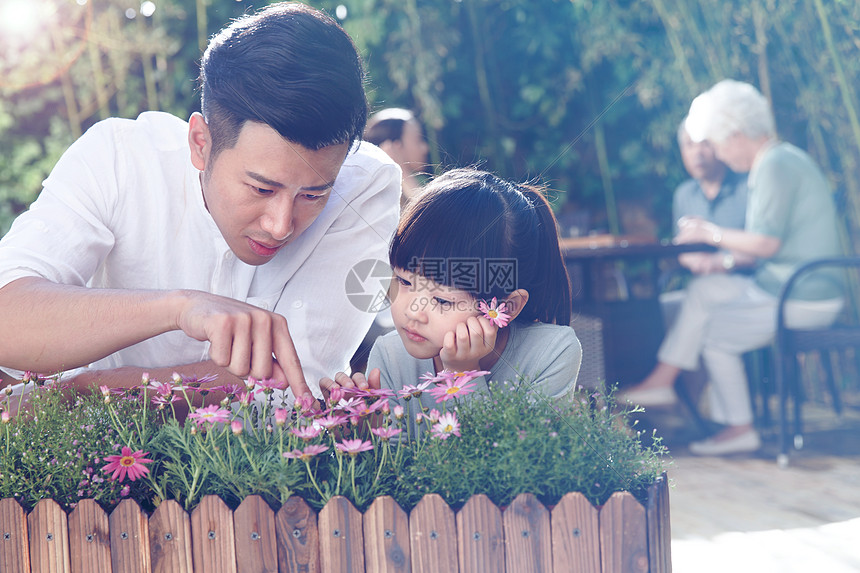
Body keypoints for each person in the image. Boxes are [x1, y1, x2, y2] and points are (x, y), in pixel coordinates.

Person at [0, 3, 400, 403]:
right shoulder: (119, 159)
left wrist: (73, 396)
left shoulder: (365, 187)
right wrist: (178, 308)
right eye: (262, 189)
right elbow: (8, 316)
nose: (281, 225)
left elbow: (296, 386)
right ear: (200, 144)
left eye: (314, 195)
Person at [621, 80, 844, 455]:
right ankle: (667, 383)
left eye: (719, 144)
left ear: (737, 135)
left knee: (714, 335)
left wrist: (709, 233)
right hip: (785, 284)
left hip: (803, 292)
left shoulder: (774, 164)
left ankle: (738, 426)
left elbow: (765, 244)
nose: (719, 155)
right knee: (703, 292)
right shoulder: (777, 160)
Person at [320, 168, 582, 435]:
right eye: (405, 282)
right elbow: (396, 472)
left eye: (443, 301)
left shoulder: (551, 352)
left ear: (507, 307)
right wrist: (364, 430)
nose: (413, 312)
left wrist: (462, 374)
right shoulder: (391, 355)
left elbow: (518, 468)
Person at [653, 120, 750, 403]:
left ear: (718, 146)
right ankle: (693, 401)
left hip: (743, 283)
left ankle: (673, 388)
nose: (697, 153)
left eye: (704, 143)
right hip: (703, 285)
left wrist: (718, 262)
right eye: (689, 145)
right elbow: (681, 248)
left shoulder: (746, 187)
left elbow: (760, 248)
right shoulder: (684, 194)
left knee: (697, 302)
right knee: (664, 306)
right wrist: (692, 260)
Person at [364, 108, 429, 207]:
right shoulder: (373, 197)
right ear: (395, 147)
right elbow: (429, 213)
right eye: (418, 140)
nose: (425, 148)